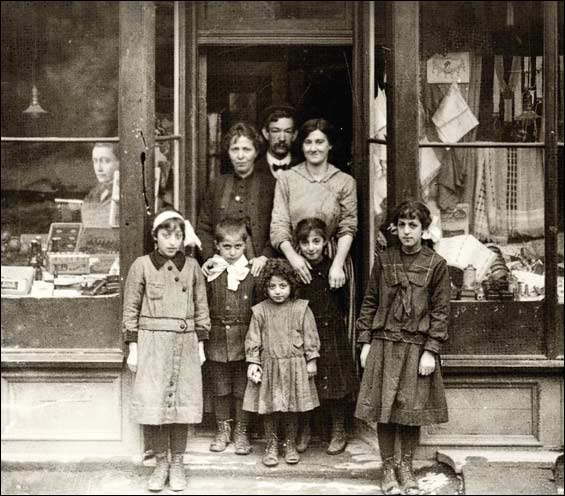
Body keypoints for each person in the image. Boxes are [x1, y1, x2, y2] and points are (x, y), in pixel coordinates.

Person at [354, 200, 451, 495]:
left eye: (414, 226)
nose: (407, 232)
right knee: (385, 411)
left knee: (410, 410)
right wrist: (365, 341)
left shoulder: (436, 264)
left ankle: (406, 468)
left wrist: (431, 350)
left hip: (416, 348)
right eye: (403, 226)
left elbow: (440, 311)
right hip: (384, 345)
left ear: (424, 229)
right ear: (395, 228)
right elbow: (370, 302)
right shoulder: (384, 260)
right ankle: (388, 468)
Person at [122, 209, 210, 492]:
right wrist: (133, 347)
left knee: (181, 404)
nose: (172, 242)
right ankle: (161, 463)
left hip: (184, 343)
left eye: (178, 235)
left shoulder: (193, 267)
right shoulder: (142, 265)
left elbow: (201, 306)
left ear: (184, 238)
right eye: (166, 235)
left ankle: (178, 464)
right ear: (155, 237)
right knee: (154, 404)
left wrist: (200, 344)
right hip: (151, 344)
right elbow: (131, 309)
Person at [242, 259, 320, 467]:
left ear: (291, 286)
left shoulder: (302, 308)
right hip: (270, 367)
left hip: (294, 366)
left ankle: (290, 443)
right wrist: (253, 362)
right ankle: (271, 445)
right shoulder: (259, 311)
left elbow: (311, 336)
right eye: (272, 286)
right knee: (270, 408)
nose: (278, 291)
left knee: (292, 408)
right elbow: (253, 339)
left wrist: (311, 360)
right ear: (266, 288)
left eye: (283, 286)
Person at [294, 218, 358, 455]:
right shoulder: (298, 271)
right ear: (298, 244)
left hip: (331, 332)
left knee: (335, 381)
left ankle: (338, 429)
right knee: (305, 381)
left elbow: (343, 304)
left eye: (316, 241)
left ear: (325, 242)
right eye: (306, 242)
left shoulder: (334, 269)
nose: (311, 247)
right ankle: (305, 428)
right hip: (304, 333)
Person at [204, 216, 259, 456]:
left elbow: (259, 310)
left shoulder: (252, 273)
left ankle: (241, 432)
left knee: (242, 388)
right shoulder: (211, 272)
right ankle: (223, 430)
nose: (232, 252)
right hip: (217, 338)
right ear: (217, 246)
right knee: (220, 388)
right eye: (227, 246)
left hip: (244, 338)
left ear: (245, 245)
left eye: (238, 246)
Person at [197, 122, 276, 279]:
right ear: (228, 152)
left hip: (259, 266)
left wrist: (265, 257)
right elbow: (203, 226)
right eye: (235, 149)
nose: (240, 156)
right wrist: (210, 257)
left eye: (246, 149)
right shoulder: (217, 184)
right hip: (222, 266)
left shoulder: (270, 185)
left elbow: (279, 227)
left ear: (256, 152)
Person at [256, 104, 300, 180]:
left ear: (294, 135)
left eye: (288, 131)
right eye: (276, 131)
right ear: (266, 133)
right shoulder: (253, 168)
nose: (282, 138)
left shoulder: (303, 168)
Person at [81, 142, 119, 227]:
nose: (98, 168)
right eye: (95, 161)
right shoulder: (94, 192)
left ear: (119, 162)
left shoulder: (124, 192)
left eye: (105, 161)